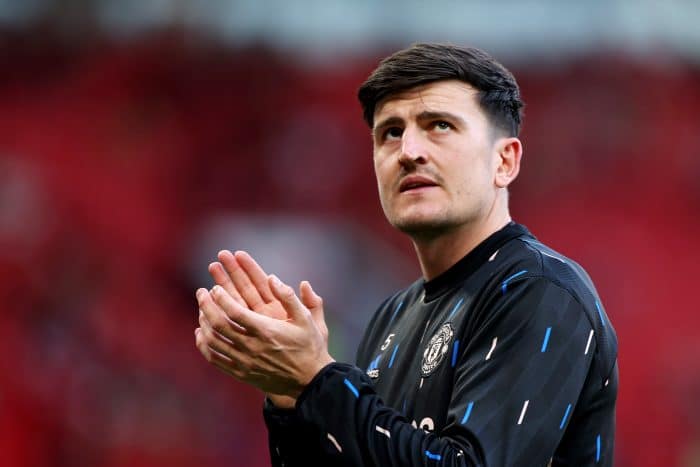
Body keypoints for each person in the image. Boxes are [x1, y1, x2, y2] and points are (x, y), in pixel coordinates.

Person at [194, 43, 618, 466]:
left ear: (504, 161)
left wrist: (317, 380)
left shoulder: (539, 291)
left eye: (440, 126)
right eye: (391, 132)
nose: (408, 151)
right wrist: (292, 398)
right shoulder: (391, 316)